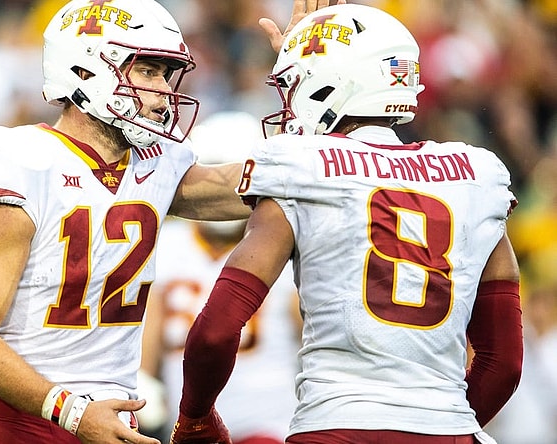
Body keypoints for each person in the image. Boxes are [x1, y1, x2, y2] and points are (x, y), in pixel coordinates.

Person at [0, 1, 340, 443]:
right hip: (24, 413)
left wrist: (307, 73)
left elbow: (268, 181)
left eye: (165, 75)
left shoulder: (157, 164)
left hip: (114, 413)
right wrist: (72, 412)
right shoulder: (23, 161)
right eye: (148, 73)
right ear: (85, 70)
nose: (162, 91)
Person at [171, 4, 524, 444]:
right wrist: (440, 423)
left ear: (330, 86)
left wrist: (195, 420)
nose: (287, 103)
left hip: (335, 425)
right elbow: (504, 362)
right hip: (449, 429)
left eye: (294, 85)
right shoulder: (477, 174)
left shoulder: (301, 166)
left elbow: (215, 331)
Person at [140, 111, 302, 444]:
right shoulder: (166, 244)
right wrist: (143, 384)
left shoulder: (283, 243)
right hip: (188, 429)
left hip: (272, 425)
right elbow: (147, 343)